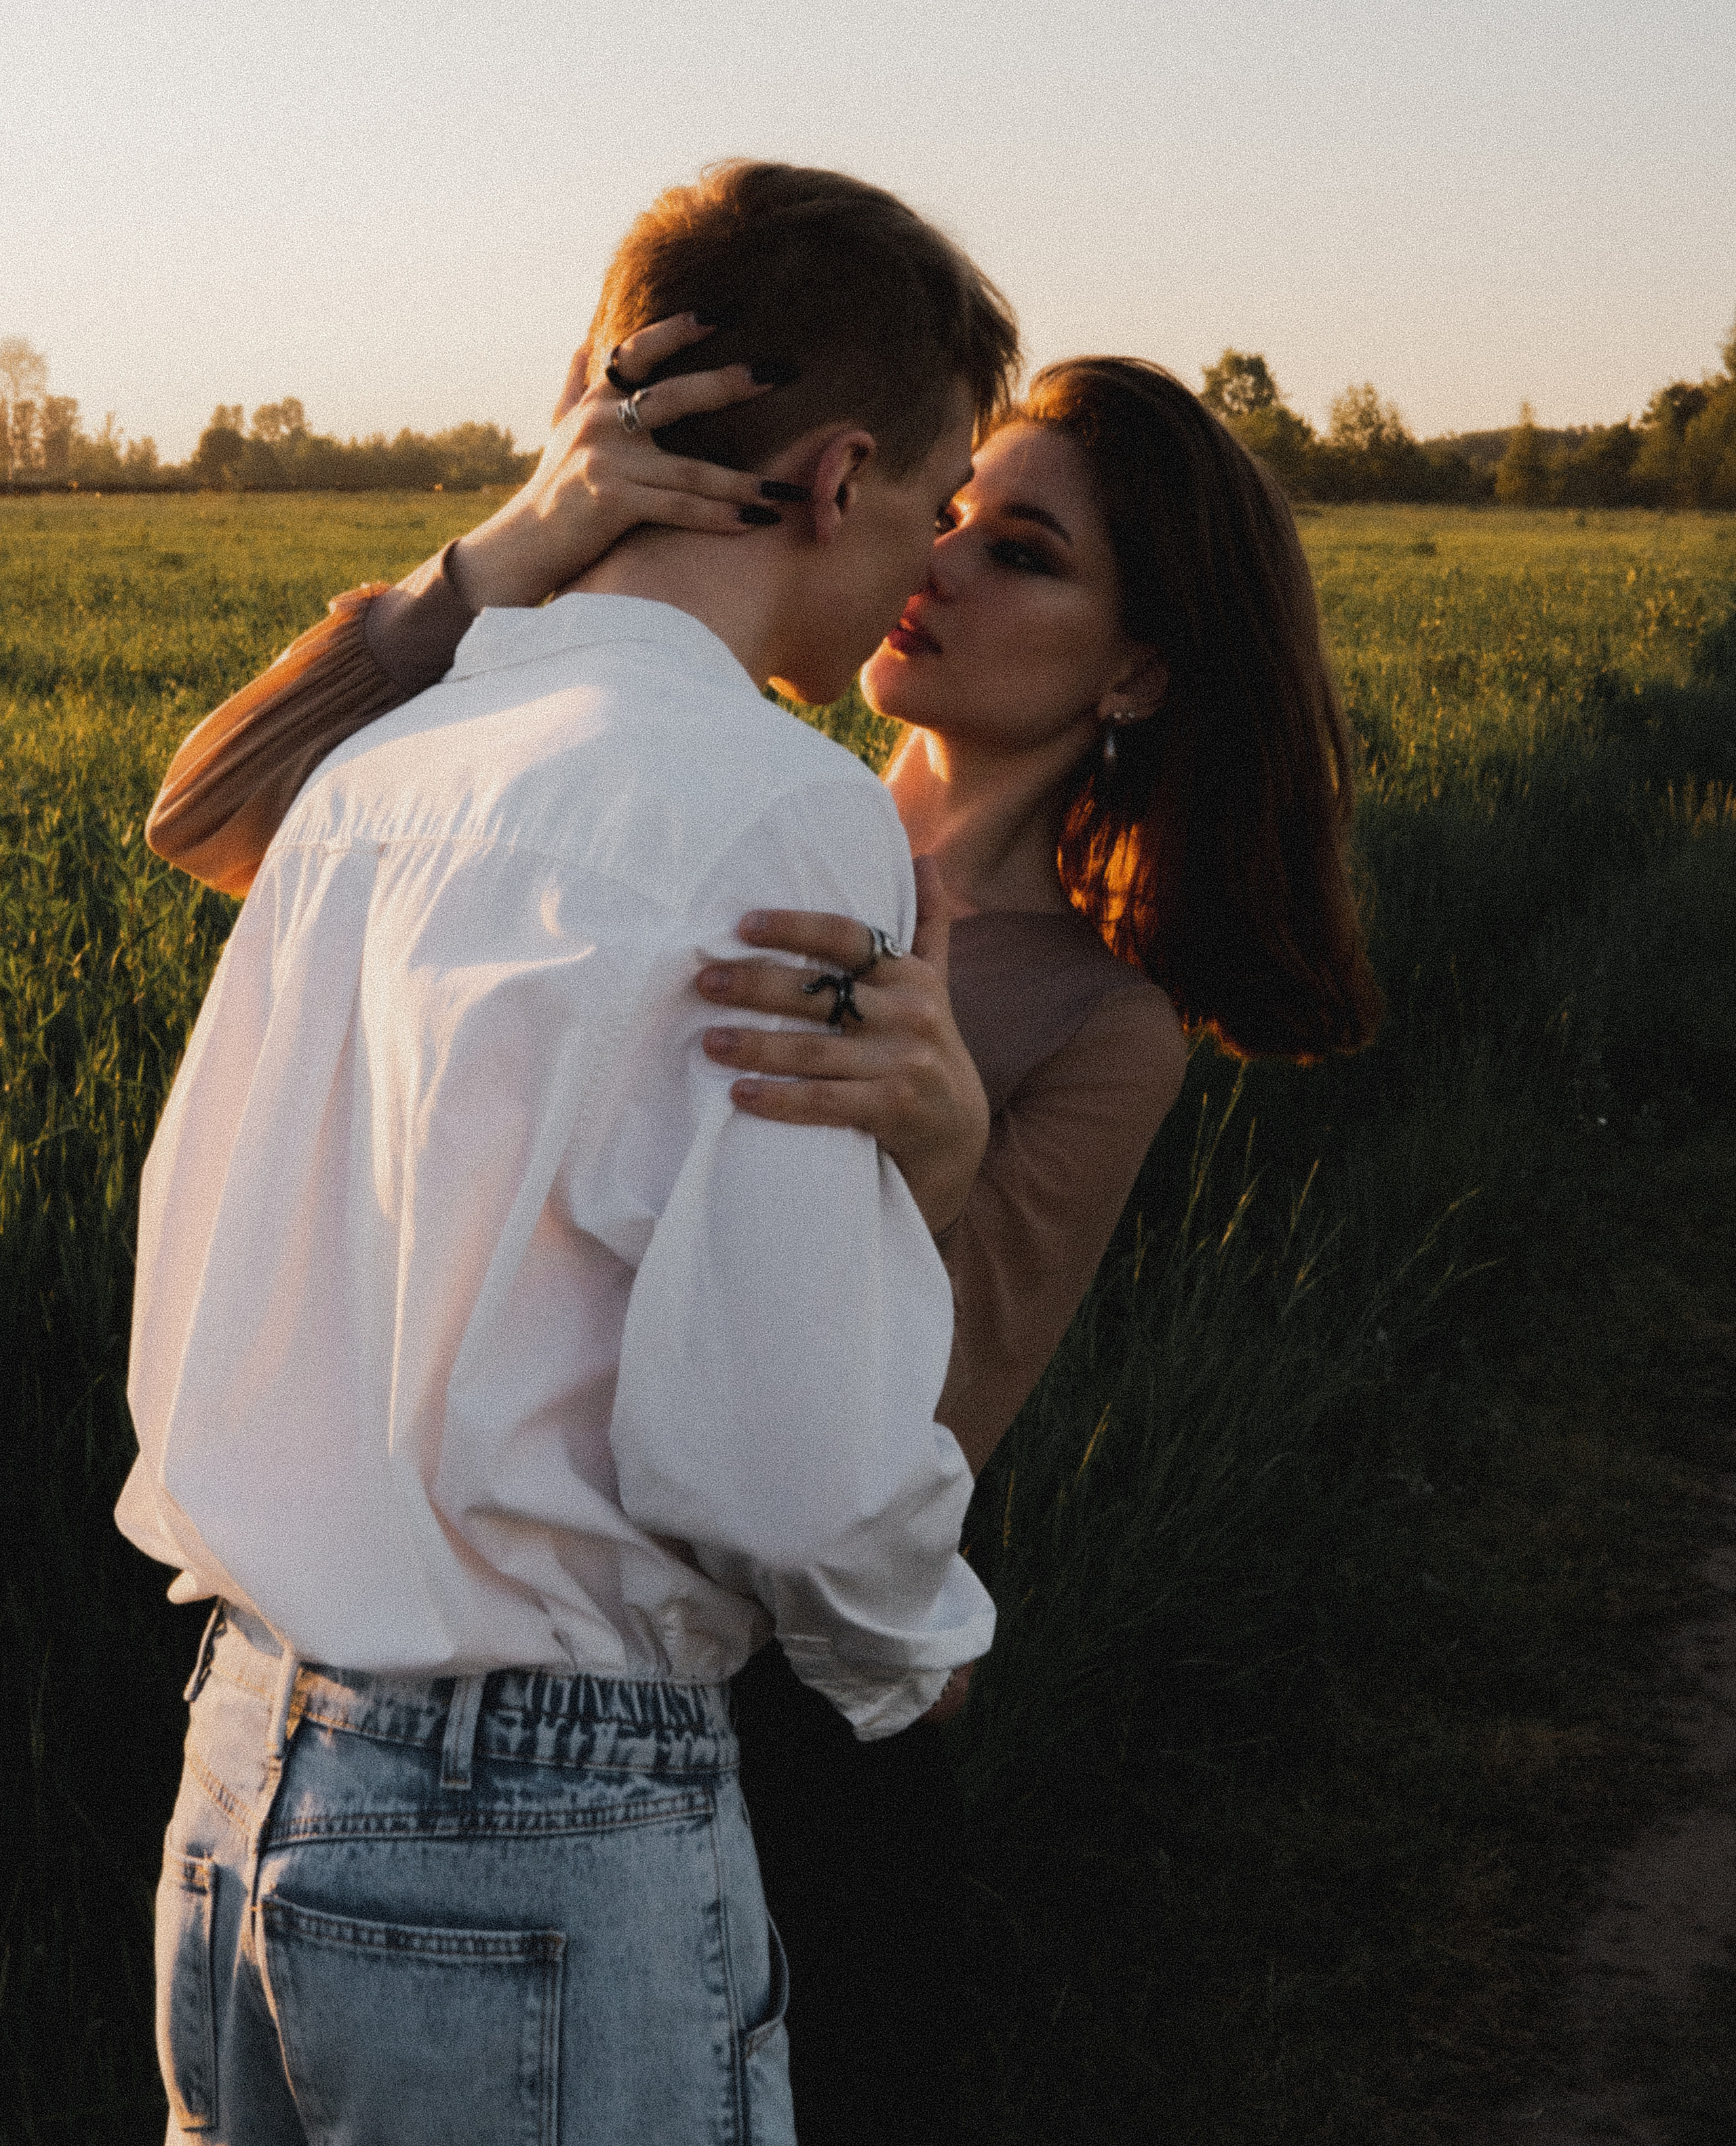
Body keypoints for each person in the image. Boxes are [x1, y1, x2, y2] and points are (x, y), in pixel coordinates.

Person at [148, 330, 1379, 2139]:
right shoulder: (729, 807)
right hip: (401, 1708)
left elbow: (928, 1420)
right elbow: (216, 815)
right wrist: (495, 557)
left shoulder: (1098, 1024)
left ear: (1137, 670)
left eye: (1025, 554)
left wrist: (946, 1154)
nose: (942, 559)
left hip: (779, 1743)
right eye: (955, 511)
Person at [119, 160, 1025, 2146]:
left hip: (241, 1767)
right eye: (942, 503)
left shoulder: (378, 777)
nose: (929, 569)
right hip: (538, 1820)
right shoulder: (785, 811)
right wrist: (917, 1643)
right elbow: (779, 1435)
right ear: (840, 471)